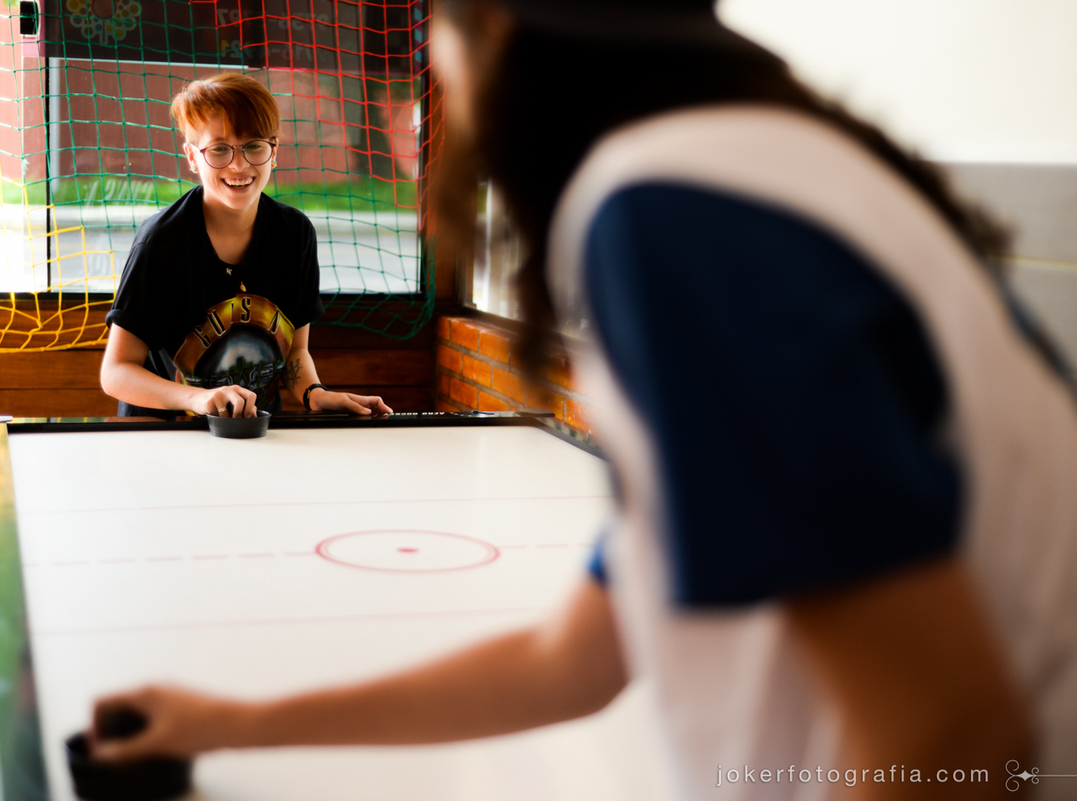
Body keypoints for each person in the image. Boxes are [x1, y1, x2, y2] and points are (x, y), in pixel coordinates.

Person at [87, 3, 1077, 799]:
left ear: (501, 32)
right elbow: (575, 662)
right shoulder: (767, 163)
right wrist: (230, 723)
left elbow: (955, 734)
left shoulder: (671, 209)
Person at [101, 73, 392, 419]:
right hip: (166, 442)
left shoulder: (294, 233)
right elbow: (116, 372)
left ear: (274, 151)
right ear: (192, 156)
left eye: (253, 145)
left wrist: (315, 394)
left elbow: (295, 352)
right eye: (220, 149)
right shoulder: (161, 242)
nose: (239, 165)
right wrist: (197, 399)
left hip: (255, 434)